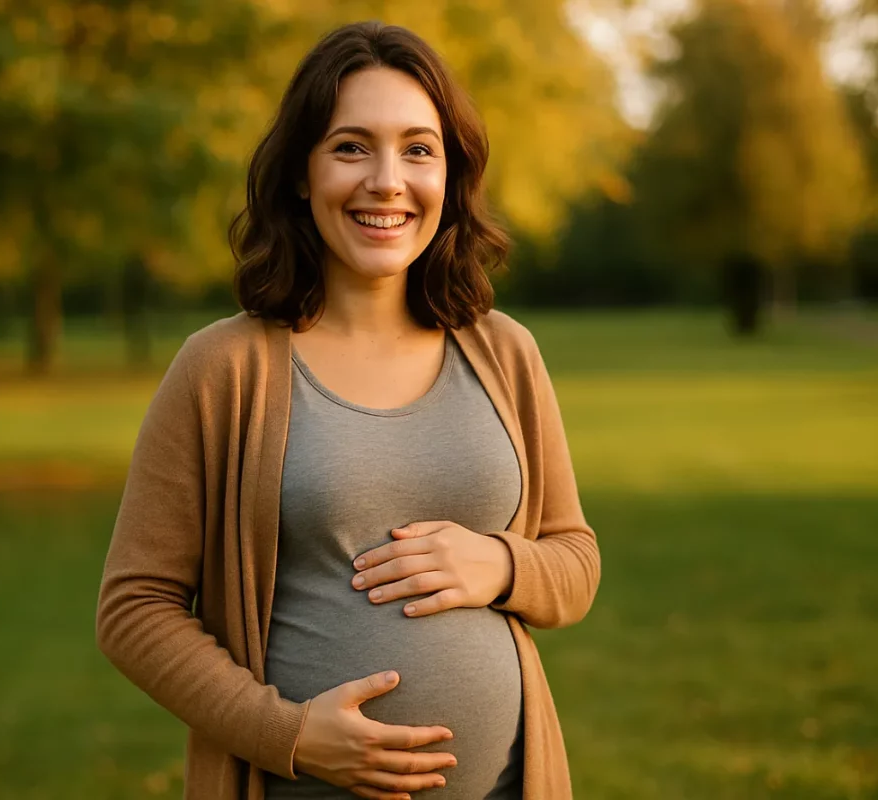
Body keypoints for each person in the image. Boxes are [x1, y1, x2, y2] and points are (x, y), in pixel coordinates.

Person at [95, 20, 601, 800]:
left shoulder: (504, 353)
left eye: (418, 149)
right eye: (351, 146)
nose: (388, 181)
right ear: (302, 172)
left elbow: (574, 560)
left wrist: (500, 563)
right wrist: (290, 736)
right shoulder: (222, 370)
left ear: (450, 173)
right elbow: (134, 609)